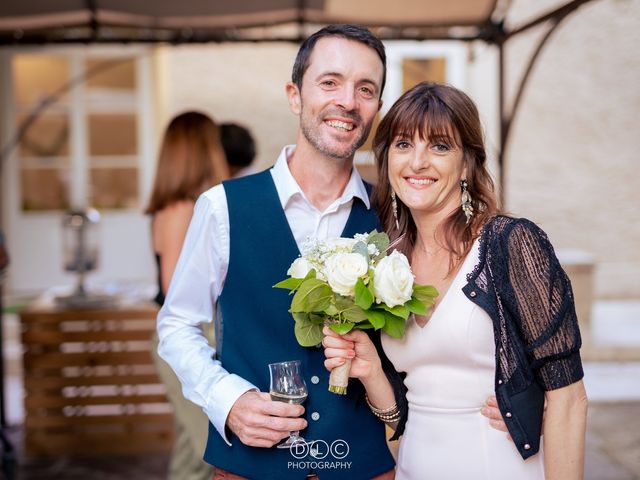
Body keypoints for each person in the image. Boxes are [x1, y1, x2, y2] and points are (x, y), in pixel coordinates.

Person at [157, 25, 508, 480]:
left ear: (377, 109)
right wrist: (227, 400)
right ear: (295, 95)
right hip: (250, 467)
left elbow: (453, 318)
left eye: (365, 89)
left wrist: (515, 390)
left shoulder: (400, 213)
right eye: (330, 82)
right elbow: (177, 323)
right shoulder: (222, 207)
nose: (347, 101)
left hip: (368, 466)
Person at [322, 82, 588, 480]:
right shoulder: (386, 261)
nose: (418, 162)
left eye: (440, 146)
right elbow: (403, 416)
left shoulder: (509, 244)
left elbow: (569, 401)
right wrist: (373, 372)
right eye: (403, 144)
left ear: (466, 164)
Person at [145, 111, 229, 480]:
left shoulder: (178, 208)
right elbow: (174, 292)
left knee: (189, 448)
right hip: (192, 339)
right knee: (208, 451)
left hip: (193, 337)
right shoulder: (180, 211)